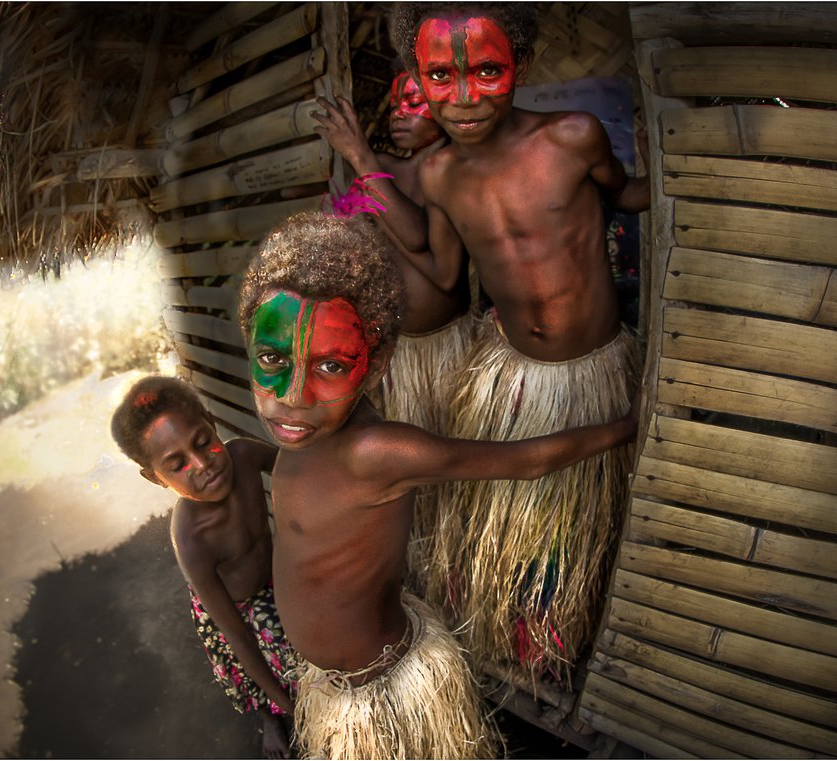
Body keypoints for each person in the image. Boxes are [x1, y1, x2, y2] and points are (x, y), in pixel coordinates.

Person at [238, 212, 638, 759]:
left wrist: (623, 428)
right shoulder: (300, 436)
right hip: (336, 687)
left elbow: (526, 461)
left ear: (375, 366)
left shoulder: (376, 453)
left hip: (384, 693)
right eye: (271, 359)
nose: (293, 394)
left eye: (330, 366)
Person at [387, 2, 651, 685]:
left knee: (573, 521)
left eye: (487, 70)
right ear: (418, 73)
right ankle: (512, 633)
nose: (467, 96)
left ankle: (559, 630)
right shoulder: (441, 175)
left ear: (522, 67)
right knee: (500, 519)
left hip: (590, 372)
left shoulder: (573, 137)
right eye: (441, 75)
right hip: (512, 379)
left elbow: (628, 197)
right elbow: (450, 273)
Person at [312, 70, 473, 587]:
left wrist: (360, 158)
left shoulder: (448, 170)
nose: (400, 112)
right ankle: (429, 574)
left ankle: (468, 563)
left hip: (449, 350)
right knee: (415, 475)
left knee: (459, 462)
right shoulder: (380, 170)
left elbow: (419, 235)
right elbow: (347, 226)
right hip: (401, 357)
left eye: (415, 102)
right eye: (396, 101)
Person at [111, 376, 296, 759]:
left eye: (202, 442)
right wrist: (290, 705)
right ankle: (270, 719)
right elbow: (237, 637)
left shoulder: (243, 455)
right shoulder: (191, 540)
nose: (202, 464)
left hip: (277, 573)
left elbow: (299, 469)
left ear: (211, 422)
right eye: (177, 465)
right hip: (237, 612)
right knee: (255, 671)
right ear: (154, 477)